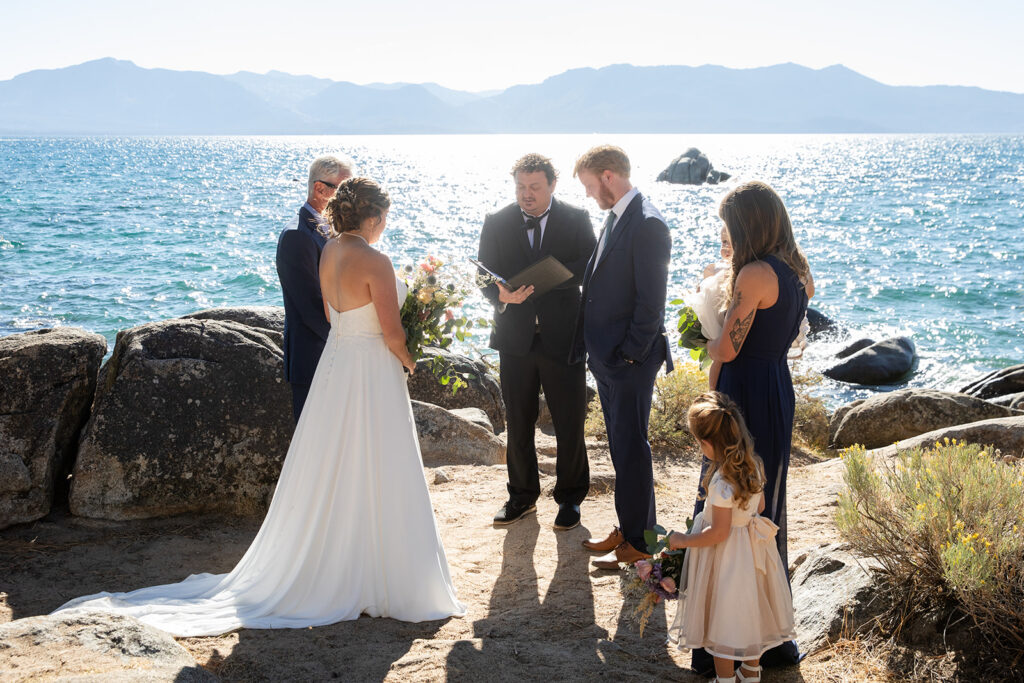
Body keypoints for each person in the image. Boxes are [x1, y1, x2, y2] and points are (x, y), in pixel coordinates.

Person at [53, 177, 466, 635]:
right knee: (378, 459)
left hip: (338, 363)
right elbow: (391, 333)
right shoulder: (376, 260)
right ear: (373, 217)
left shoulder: (328, 252)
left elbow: (332, 316)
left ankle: (340, 563)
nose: (385, 226)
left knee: (333, 460)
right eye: (384, 218)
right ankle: (381, 571)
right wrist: (409, 362)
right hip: (371, 369)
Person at [692, 180, 813, 672]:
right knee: (764, 509)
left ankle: (722, 641)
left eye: (727, 226)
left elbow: (726, 349)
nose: (724, 233)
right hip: (775, 388)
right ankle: (769, 640)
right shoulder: (797, 272)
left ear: (745, 226)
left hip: (741, 394)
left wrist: (705, 330)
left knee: (723, 498)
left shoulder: (754, 275)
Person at [478, 153, 596, 531]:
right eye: (520, 187)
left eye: (534, 187)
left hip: (563, 336)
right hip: (515, 337)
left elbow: (591, 265)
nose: (526, 195)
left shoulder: (576, 219)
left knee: (569, 420)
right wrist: (501, 297)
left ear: (551, 185)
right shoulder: (496, 222)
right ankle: (521, 496)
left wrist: (552, 276)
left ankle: (571, 498)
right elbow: (482, 274)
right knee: (518, 420)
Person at [570, 145, 674, 570]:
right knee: (621, 448)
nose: (591, 195)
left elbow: (652, 304)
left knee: (632, 450)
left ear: (609, 176)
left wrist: (629, 357)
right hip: (609, 360)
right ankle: (630, 529)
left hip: (628, 363)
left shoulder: (648, 224)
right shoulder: (617, 219)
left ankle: (641, 542)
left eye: (591, 186)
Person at [666, 392, 796, 683]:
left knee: (722, 621)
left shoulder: (722, 483)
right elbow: (760, 508)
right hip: (752, 552)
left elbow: (719, 532)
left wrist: (682, 540)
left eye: (699, 443)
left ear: (709, 444)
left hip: (726, 559)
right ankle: (750, 672)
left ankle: (725, 680)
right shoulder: (755, 466)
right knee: (751, 613)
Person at [276, 154, 354, 422]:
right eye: (344, 190)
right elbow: (310, 306)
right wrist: (346, 342)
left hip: (330, 355)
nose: (350, 198)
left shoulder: (327, 228)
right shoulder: (297, 236)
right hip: (313, 359)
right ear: (320, 189)